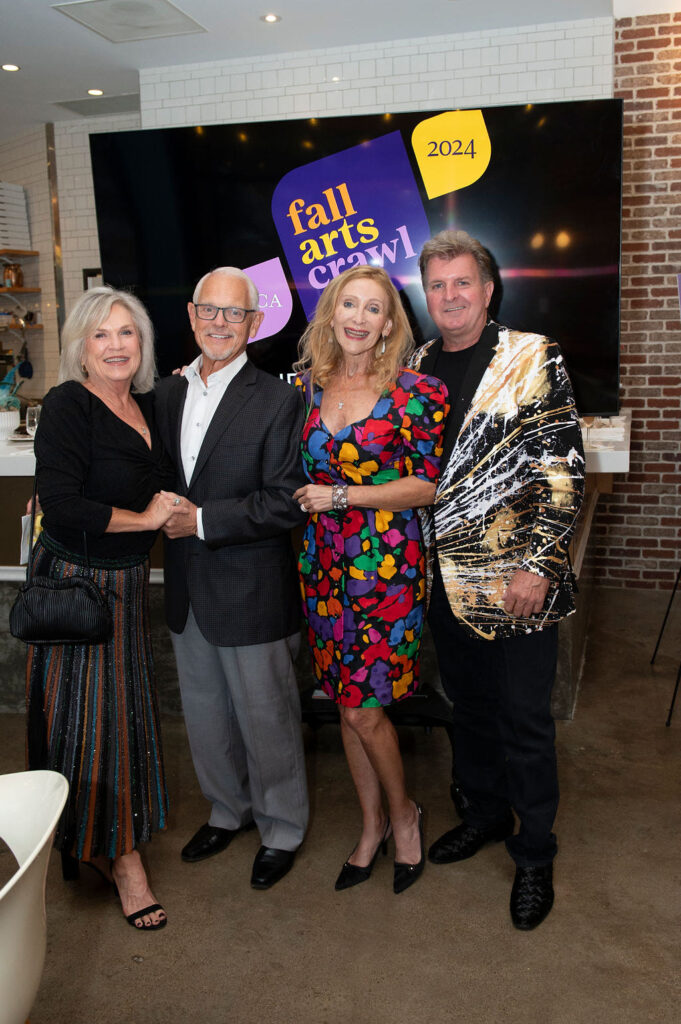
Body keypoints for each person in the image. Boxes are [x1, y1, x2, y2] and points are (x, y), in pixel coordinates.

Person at [410, 229, 584, 929]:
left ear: (486, 291)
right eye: (437, 286)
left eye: (461, 283)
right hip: (442, 582)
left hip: (516, 583)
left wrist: (538, 567)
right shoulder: (416, 363)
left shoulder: (530, 355)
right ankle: (481, 813)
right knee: (470, 711)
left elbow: (561, 470)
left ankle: (534, 853)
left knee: (523, 723)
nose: (449, 296)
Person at [27, 286, 181, 930]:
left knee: (121, 719)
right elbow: (61, 504)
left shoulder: (146, 403)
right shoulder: (67, 405)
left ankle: (92, 839)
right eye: (102, 335)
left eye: (128, 333)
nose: (117, 345)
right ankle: (122, 862)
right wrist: (145, 516)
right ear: (81, 349)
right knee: (91, 724)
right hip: (76, 584)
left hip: (122, 584)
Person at [293, 265, 448, 894]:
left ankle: (405, 817)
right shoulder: (307, 387)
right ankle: (371, 824)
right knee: (348, 705)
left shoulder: (418, 391)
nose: (358, 317)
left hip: (384, 570)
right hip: (322, 571)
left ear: (389, 324)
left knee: (362, 709)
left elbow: (425, 485)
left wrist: (340, 496)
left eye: (373, 309)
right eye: (348, 304)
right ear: (332, 313)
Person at [154, 267, 309, 890]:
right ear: (192, 317)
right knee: (206, 713)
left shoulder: (278, 399)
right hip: (188, 589)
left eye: (234, 314)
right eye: (209, 311)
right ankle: (227, 810)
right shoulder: (164, 395)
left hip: (251, 588)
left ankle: (282, 827)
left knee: (267, 718)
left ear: (255, 323)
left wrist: (202, 521)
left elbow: (284, 500)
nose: (220, 323)